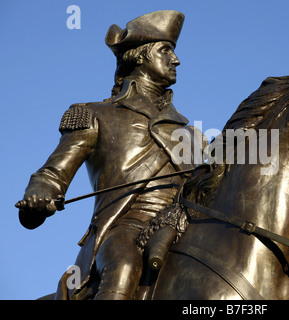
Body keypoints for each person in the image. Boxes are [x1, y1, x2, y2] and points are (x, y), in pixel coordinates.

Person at [16, 10, 204, 300]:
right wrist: (39, 196)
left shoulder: (192, 135)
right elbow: (53, 174)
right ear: (140, 56)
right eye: (166, 50)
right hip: (127, 227)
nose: (175, 59)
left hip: (182, 227)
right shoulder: (95, 115)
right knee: (124, 264)